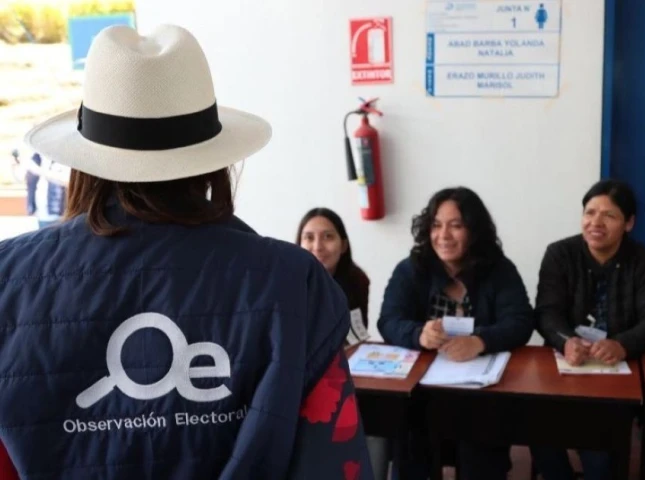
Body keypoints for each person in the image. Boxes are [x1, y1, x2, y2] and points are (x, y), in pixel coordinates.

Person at [0, 24, 372, 480]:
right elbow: (335, 462)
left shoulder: (8, 281)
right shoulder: (293, 282)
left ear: (86, 160)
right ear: (214, 160)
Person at [378, 186, 535, 480]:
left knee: (481, 449)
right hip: (422, 391)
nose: (444, 235)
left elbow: (521, 321)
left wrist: (480, 341)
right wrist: (418, 334)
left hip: (480, 392)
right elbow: (388, 320)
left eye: (456, 225)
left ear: (474, 231)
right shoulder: (412, 270)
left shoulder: (498, 270)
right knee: (410, 442)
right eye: (436, 225)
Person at [533, 179, 645, 480]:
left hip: (618, 374)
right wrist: (566, 341)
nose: (596, 222)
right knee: (540, 434)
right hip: (566, 366)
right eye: (590, 212)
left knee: (599, 454)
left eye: (609, 215)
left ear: (629, 223)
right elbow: (547, 313)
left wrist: (622, 344)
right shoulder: (559, 254)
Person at [296, 207, 391, 479]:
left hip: (350, 371)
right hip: (305, 378)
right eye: (309, 237)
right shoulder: (287, 282)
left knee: (377, 414)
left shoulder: (356, 280)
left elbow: (357, 332)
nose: (318, 246)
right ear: (298, 243)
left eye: (328, 237)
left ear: (343, 244)